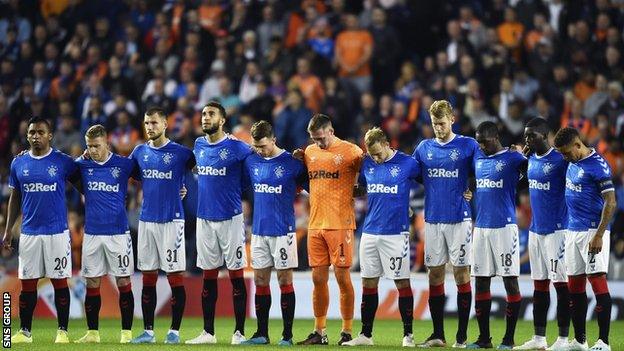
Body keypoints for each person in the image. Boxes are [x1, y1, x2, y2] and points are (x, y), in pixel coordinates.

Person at [3, 117, 79, 343]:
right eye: (32, 132)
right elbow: (15, 198)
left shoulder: (63, 162)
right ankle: (25, 332)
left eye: (40, 132)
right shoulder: (18, 163)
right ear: (27, 135)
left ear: (49, 136)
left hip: (57, 232)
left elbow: (83, 186)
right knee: (27, 283)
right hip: (29, 233)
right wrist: (8, 230)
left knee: (59, 281)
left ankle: (63, 332)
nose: (35, 136)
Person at [343, 127, 420, 347]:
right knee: (368, 282)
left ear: (386, 144)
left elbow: (430, 182)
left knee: (401, 281)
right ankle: (366, 335)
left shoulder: (408, 163)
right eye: (371, 154)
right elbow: (362, 189)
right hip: (369, 232)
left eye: (378, 153)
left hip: (396, 233)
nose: (375, 158)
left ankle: (408, 335)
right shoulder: (367, 163)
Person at [411, 100, 478, 348]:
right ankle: (438, 334)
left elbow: (480, 171)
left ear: (452, 119)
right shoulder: (423, 148)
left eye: (441, 123)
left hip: (460, 219)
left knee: (461, 273)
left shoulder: (468, 145)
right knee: (435, 274)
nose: (438, 128)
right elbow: (414, 174)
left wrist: (471, 188)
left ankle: (461, 336)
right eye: (434, 124)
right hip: (433, 219)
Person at [186, 101, 252, 345]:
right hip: (204, 219)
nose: (205, 117)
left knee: (235, 275)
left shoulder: (238, 147)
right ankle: (208, 333)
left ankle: (239, 333)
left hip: (231, 219)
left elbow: (250, 173)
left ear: (222, 120)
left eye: (211, 114)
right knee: (208, 275)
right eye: (203, 113)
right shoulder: (199, 144)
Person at [129, 107, 196, 344]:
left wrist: (184, 188)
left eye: (154, 123)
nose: (150, 127)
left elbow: (203, 168)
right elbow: (124, 172)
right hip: (147, 221)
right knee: (148, 276)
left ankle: (174, 332)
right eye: (147, 123)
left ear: (165, 124)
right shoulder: (138, 152)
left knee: (175, 276)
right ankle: (148, 331)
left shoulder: (181, 153)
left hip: (172, 221)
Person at [296, 113, 363, 345]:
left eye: (321, 138)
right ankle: (320, 331)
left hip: (340, 223)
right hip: (315, 224)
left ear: (331, 131)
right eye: (314, 139)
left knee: (343, 278)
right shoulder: (310, 152)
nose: (318, 143)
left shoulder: (351, 151)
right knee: (317, 278)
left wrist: (359, 186)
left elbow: (369, 170)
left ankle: (346, 331)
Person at [240, 120, 306, 346]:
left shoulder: (293, 163)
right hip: (259, 232)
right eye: (256, 147)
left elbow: (312, 187)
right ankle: (261, 333)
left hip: (284, 232)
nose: (260, 151)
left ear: (274, 140)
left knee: (284, 279)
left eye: (264, 146)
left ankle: (287, 335)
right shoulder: (252, 161)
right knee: (260, 280)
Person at [554, 127, 616, 351]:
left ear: (578, 145)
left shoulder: (598, 165)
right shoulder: (572, 161)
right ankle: (580, 341)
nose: (564, 157)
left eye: (567, 153)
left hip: (592, 232)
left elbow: (611, 202)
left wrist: (599, 234)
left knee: (597, 282)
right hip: (573, 231)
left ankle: (604, 342)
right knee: (575, 286)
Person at [74, 124, 136, 344]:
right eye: (89, 146)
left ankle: (126, 333)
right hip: (92, 234)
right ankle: (92, 333)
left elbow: (150, 176)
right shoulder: (82, 164)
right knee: (91, 282)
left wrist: (179, 186)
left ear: (107, 144)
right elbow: (66, 171)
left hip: (118, 234)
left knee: (123, 281)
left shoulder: (124, 164)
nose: (93, 150)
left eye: (97, 146)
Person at [467, 121, 527, 349]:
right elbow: (473, 181)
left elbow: (531, 174)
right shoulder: (478, 159)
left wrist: (523, 155)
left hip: (505, 228)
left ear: (495, 137)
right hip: (481, 228)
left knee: (510, 281)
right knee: (481, 282)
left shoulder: (513, 158)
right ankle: (484, 339)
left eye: (484, 141)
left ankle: (509, 339)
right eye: (478, 141)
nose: (480, 145)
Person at [515, 117, 571, 350]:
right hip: (536, 231)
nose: (527, 139)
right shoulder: (529, 160)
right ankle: (539, 339)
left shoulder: (560, 160)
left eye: (532, 135)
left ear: (545, 135)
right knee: (539, 285)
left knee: (561, 285)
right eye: (526, 135)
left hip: (557, 231)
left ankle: (563, 339)